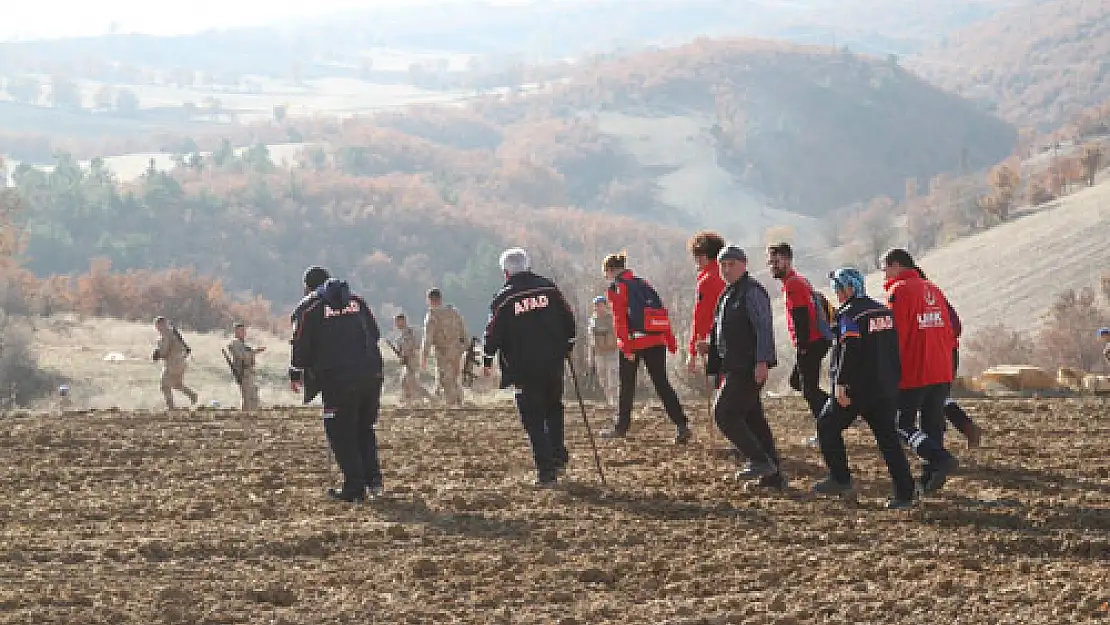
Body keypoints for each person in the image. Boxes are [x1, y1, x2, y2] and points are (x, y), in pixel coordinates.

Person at [813, 268, 916, 509]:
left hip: (856, 389)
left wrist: (840, 384)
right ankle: (905, 493)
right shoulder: (883, 311)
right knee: (888, 439)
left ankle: (840, 479)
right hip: (885, 388)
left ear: (849, 288)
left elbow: (850, 348)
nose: (836, 293)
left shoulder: (849, 315)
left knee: (826, 425)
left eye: (838, 288)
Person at [289, 265, 386, 503]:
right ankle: (374, 481)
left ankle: (354, 488)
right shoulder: (357, 301)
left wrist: (296, 372)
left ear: (307, 287)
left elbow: (300, 344)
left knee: (341, 433)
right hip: (371, 374)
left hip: (339, 380)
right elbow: (374, 333)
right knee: (364, 428)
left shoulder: (309, 308)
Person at [482, 247, 577, 487]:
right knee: (554, 409)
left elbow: (493, 333)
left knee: (533, 419)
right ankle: (557, 457)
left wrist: (486, 358)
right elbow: (568, 317)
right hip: (553, 362)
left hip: (523, 368)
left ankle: (546, 472)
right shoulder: (548, 288)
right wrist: (569, 344)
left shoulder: (504, 298)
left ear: (506, 273)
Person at [698, 245, 786, 487]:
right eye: (722, 265)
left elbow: (763, 327)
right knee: (753, 419)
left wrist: (762, 361)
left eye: (731, 265)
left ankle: (758, 460)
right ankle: (774, 476)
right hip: (734, 364)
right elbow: (723, 330)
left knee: (724, 413)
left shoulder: (752, 292)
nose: (726, 270)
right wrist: (711, 347)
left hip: (748, 366)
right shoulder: (728, 294)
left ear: (744, 264)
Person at [882, 249, 960, 494]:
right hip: (942, 367)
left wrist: (889, 371)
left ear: (896, 265)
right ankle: (930, 477)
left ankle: (939, 459)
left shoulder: (899, 292)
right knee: (932, 424)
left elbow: (895, 337)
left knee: (901, 424)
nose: (883, 273)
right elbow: (950, 328)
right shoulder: (933, 288)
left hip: (916, 370)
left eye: (884, 267)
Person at [599, 252, 693, 444]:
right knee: (662, 384)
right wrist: (669, 339)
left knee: (627, 386)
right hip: (656, 340)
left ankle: (621, 427)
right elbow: (659, 310)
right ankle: (681, 424)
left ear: (609, 271)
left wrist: (625, 347)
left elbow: (619, 320)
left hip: (634, 342)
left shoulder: (617, 288)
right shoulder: (644, 284)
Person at [767, 243, 831, 422]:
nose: (773, 267)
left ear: (787, 260)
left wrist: (802, 346)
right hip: (817, 340)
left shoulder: (793, 284)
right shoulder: (800, 280)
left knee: (809, 390)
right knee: (797, 382)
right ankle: (835, 409)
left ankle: (829, 422)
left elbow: (800, 315)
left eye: (776, 262)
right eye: (770, 263)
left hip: (810, 342)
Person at [687, 231, 727, 374]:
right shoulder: (727, 273)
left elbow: (700, 317)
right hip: (735, 340)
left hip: (717, 341)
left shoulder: (707, 281)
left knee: (724, 388)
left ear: (704, 256)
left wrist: (692, 352)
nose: (695, 260)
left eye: (696, 256)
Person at [421, 288, 468, 407]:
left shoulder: (432, 316)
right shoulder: (452, 311)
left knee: (445, 378)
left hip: (443, 351)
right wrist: (464, 347)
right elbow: (463, 329)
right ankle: (458, 401)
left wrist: (424, 356)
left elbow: (428, 338)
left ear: (430, 300)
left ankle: (452, 403)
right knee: (455, 376)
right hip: (456, 349)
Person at [152, 316, 198, 409]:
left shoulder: (166, 334)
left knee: (164, 384)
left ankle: (171, 406)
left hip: (173, 363)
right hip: (181, 362)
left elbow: (165, 350)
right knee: (177, 384)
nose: (157, 328)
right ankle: (192, 395)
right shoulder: (173, 332)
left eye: (157, 325)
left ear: (161, 325)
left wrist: (157, 354)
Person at [587, 295, 620, 407]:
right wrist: (591, 359)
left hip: (612, 352)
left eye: (600, 305)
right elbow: (591, 340)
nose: (598, 308)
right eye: (596, 306)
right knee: (603, 379)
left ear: (605, 305)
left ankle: (616, 402)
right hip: (599, 354)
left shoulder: (612, 318)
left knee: (613, 378)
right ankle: (609, 402)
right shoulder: (593, 321)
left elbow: (619, 335)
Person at [394, 313, 431, 407]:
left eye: (400, 322)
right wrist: (401, 357)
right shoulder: (399, 338)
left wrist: (413, 352)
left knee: (411, 381)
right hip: (407, 361)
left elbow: (419, 345)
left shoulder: (412, 332)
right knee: (405, 381)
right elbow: (400, 351)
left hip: (414, 360)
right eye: (397, 322)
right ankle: (409, 401)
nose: (398, 324)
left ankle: (426, 399)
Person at [227, 321, 266, 411]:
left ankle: (251, 415)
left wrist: (255, 351)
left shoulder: (242, 343)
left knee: (253, 395)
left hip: (249, 372)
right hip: (244, 373)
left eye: (244, 330)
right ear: (236, 332)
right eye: (241, 330)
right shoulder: (235, 343)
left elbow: (247, 353)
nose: (244, 332)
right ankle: (247, 416)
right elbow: (242, 357)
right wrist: (252, 352)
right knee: (248, 397)